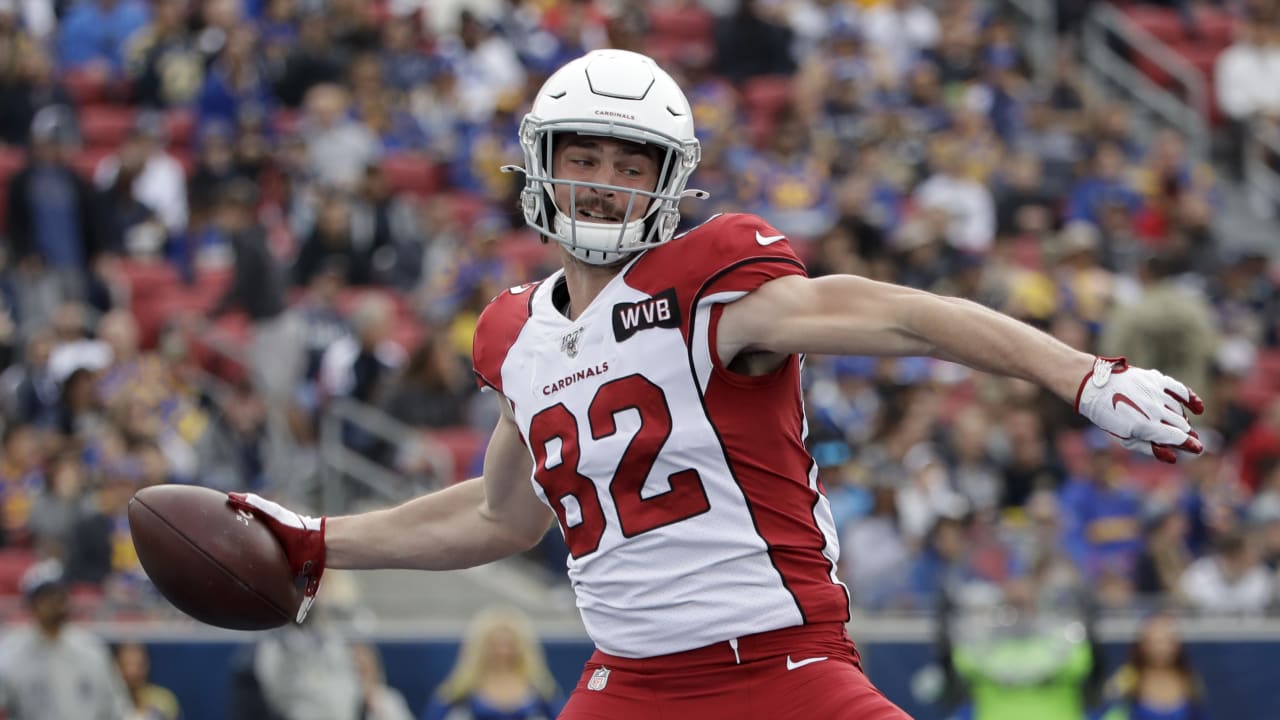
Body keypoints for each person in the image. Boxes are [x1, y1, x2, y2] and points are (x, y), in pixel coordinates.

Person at [230, 50, 1206, 720]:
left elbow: (902, 313)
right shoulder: (513, 333)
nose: (605, 180)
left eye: (628, 161)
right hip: (628, 686)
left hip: (785, 668)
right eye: (584, 156)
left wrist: (1080, 375)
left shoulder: (711, 281)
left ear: (668, 179)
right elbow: (499, 517)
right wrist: (322, 542)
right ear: (540, 166)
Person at [0, 560, 129, 720]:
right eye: (48, 595)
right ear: (32, 603)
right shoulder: (11, 653)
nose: (57, 601)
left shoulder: (90, 648)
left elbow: (117, 707)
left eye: (61, 594)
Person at [421, 608, 563, 720]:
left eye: (509, 645)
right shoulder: (460, 689)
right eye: (495, 644)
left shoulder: (540, 690)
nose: (502, 652)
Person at [1097, 611, 1208, 720]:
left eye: (1166, 641)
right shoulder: (1128, 678)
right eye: (1155, 642)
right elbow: (1102, 712)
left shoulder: (1189, 681)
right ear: (1143, 644)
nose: (1160, 649)